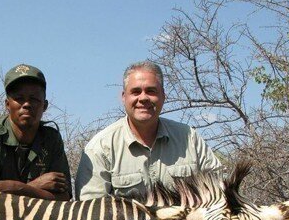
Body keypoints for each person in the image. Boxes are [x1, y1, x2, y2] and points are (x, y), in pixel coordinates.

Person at [75, 61, 221, 201]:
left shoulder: (189, 138)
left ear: (163, 96)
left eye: (151, 91)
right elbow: (91, 211)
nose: (143, 98)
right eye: (136, 92)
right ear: (124, 97)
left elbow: (220, 194)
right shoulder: (100, 147)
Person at [0, 64, 71, 200]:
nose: (27, 104)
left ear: (44, 106)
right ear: (7, 104)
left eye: (34, 99)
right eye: (19, 98)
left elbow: (63, 197)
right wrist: (34, 186)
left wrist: (14, 188)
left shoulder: (51, 139)